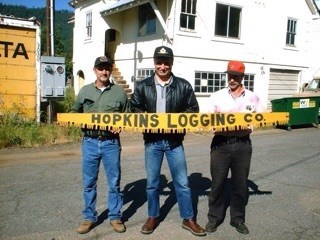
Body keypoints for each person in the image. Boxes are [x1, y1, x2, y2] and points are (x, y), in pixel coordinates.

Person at [130, 46, 206, 237]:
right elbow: (134, 109)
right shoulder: (142, 86)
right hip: (152, 142)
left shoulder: (184, 86)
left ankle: (188, 218)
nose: (162, 66)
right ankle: (153, 216)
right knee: (152, 183)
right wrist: (148, 119)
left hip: (174, 142)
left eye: (166, 62)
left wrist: (176, 122)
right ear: (154, 63)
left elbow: (192, 111)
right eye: (159, 62)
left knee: (182, 183)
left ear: (171, 63)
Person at [205, 60, 264, 235]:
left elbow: (261, 118)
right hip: (221, 144)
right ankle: (214, 219)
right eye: (230, 76)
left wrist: (250, 125)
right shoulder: (216, 96)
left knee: (240, 184)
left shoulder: (253, 97)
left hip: (242, 144)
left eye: (236, 76)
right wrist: (217, 122)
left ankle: (237, 219)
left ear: (242, 77)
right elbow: (208, 120)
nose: (232, 80)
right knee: (217, 184)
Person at [72, 56, 129, 234]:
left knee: (114, 182)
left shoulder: (119, 93)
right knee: (89, 182)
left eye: (107, 68)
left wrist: (121, 125)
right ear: (94, 70)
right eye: (100, 68)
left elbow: (127, 116)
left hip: (111, 143)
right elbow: (75, 112)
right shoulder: (84, 91)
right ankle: (89, 217)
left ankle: (115, 216)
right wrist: (73, 120)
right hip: (89, 142)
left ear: (110, 70)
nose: (104, 72)